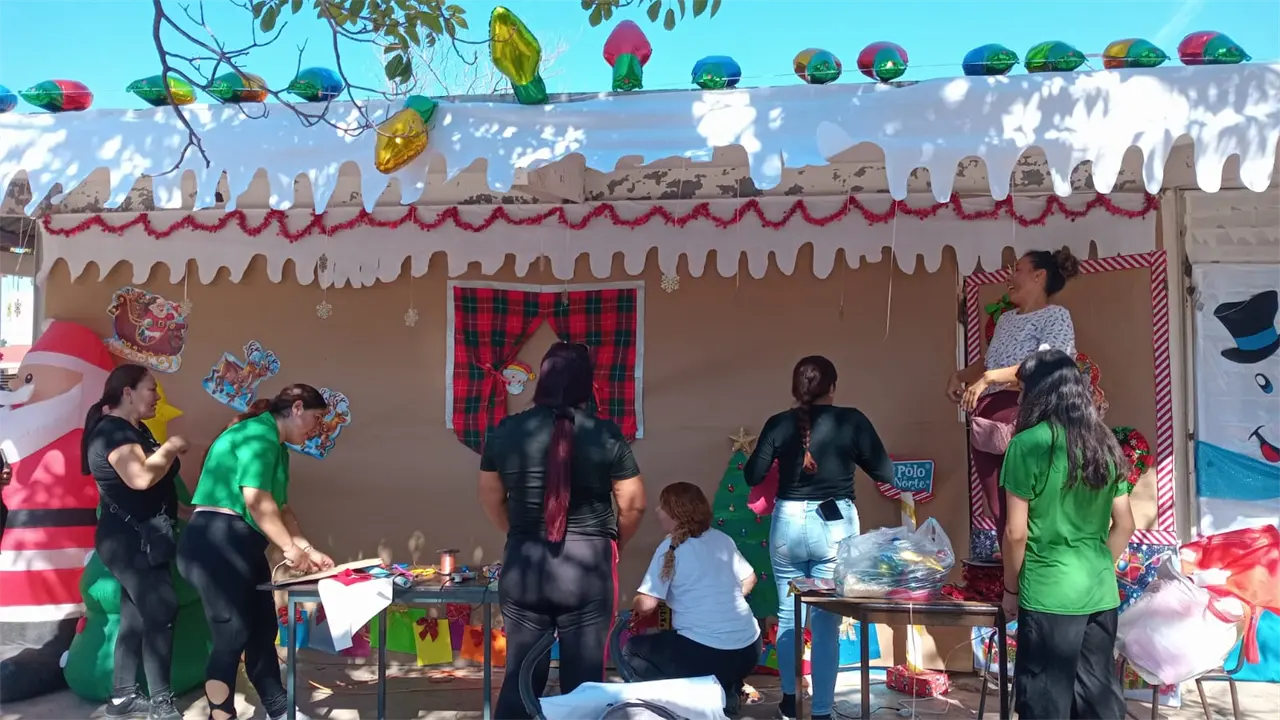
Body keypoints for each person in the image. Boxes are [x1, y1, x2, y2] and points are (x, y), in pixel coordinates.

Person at [478, 342, 647, 720]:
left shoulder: (506, 431)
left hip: (525, 566)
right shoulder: (606, 434)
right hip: (587, 569)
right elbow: (633, 503)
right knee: (585, 685)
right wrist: (611, 541)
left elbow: (490, 496)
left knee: (521, 676)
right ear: (586, 384)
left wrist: (519, 534)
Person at [743, 356, 895, 720]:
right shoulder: (852, 420)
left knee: (787, 613)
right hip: (836, 523)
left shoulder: (778, 424)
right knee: (826, 619)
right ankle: (823, 710)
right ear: (833, 387)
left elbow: (752, 475)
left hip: (788, 521)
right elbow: (885, 471)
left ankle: (790, 700)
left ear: (795, 390)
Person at [177, 386, 335, 720]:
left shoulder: (279, 449)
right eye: (316, 418)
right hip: (214, 543)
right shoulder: (257, 436)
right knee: (231, 633)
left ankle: (279, 710)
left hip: (242, 546)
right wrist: (289, 549)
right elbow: (257, 501)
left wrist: (307, 549)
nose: (316, 428)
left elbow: (281, 508)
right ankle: (221, 714)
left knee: (263, 628)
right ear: (296, 408)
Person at [1000, 349, 1135, 720]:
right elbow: (1125, 524)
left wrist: (1011, 590)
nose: (1019, 398)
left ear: (1038, 393)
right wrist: (1098, 566)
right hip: (1099, 590)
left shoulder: (1027, 445)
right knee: (1098, 700)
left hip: (1047, 592)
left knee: (1044, 703)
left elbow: (1015, 532)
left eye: (1022, 389)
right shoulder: (1105, 442)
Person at [947, 247, 1080, 544]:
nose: (1010, 276)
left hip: (1027, 414)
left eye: (1017, 269)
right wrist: (961, 376)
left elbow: (1049, 363)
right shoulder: (1006, 319)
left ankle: (1034, 573)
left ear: (1038, 276)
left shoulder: (1055, 315)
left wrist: (990, 379)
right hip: (988, 418)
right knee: (999, 507)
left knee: (1029, 505)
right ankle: (1012, 579)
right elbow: (990, 361)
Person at [82, 364, 189, 720]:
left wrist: (195, 511)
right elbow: (141, 478)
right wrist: (172, 446)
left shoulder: (134, 430)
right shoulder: (112, 431)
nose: (157, 397)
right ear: (127, 392)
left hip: (142, 537)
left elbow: (157, 488)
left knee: (137, 617)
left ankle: (122, 697)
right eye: (151, 389)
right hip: (129, 541)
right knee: (161, 608)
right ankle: (162, 704)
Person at [624, 482, 762, 716]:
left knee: (633, 650)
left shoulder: (670, 547)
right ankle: (726, 692)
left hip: (705, 654)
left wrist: (633, 603)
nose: (657, 511)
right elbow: (750, 579)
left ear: (674, 514)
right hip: (750, 649)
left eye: (662, 506)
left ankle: (681, 706)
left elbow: (647, 605)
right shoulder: (721, 540)